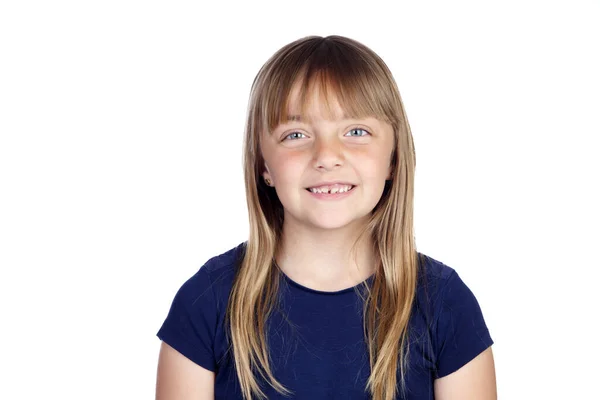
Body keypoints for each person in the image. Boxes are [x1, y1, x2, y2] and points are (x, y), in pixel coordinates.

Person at [155, 35, 496, 400]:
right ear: (263, 164)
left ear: (394, 159)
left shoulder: (445, 304)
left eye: (356, 132)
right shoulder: (205, 303)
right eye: (296, 134)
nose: (327, 156)